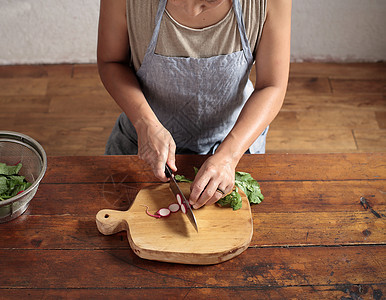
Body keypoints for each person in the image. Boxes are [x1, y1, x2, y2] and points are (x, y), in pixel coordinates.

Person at [97, 0, 291, 209]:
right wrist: (145, 122)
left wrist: (229, 156)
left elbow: (272, 85)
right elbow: (111, 62)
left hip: (237, 148)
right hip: (141, 149)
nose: (195, 7)